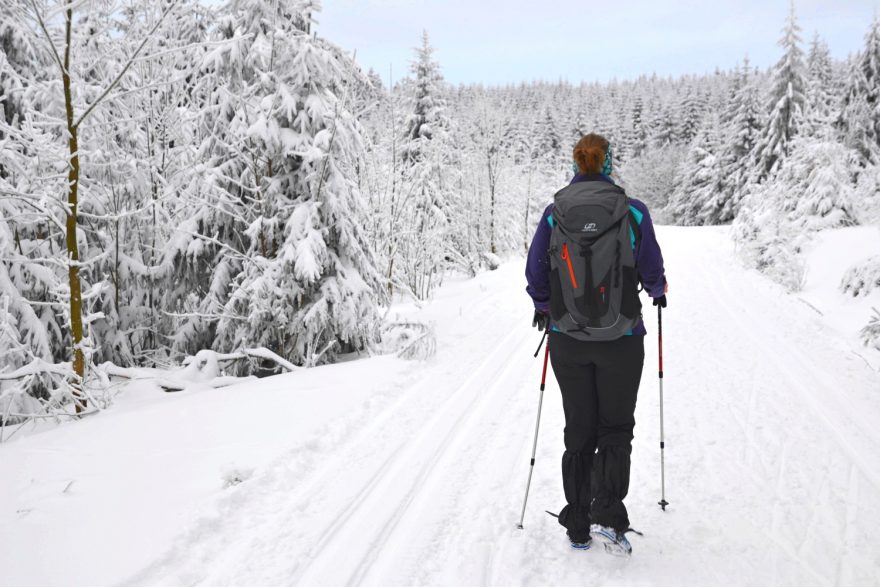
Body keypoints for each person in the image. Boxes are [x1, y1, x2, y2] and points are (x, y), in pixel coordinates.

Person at [524, 133, 668, 554]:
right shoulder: (633, 212)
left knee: (579, 429)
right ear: (608, 164)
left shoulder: (554, 215)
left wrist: (546, 306)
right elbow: (652, 269)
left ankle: (578, 524)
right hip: (622, 340)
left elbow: (535, 276)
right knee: (616, 428)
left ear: (576, 164)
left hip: (568, 340)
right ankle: (609, 516)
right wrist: (658, 290)